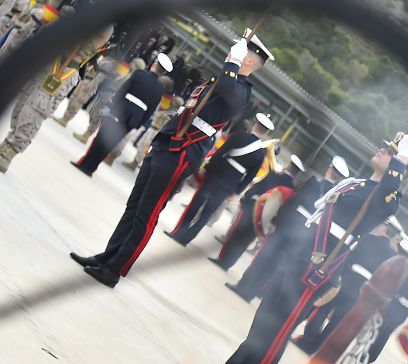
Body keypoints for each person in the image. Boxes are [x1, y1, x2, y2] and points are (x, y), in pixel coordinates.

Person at [181, 132, 408, 364]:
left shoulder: (385, 199)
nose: (381, 149)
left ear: (399, 169)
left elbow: (389, 190)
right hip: (299, 257)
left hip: (316, 268)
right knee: (262, 325)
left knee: (275, 333)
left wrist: (403, 159)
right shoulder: (359, 185)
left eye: (390, 152)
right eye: (386, 146)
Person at [69, 32, 271, 287]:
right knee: (135, 205)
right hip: (170, 142)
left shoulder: (241, 91)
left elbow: (228, 90)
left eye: (239, 53)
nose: (231, 54)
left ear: (249, 62)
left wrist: (233, 64)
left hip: (184, 152)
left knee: (147, 213)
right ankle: (107, 257)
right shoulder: (224, 80)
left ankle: (115, 269)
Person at [0, 8, 110, 173]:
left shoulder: (106, 22)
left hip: (64, 69)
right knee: (23, 103)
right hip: (50, 60)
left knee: (36, 109)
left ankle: (10, 150)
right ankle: (8, 142)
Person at [227, 156, 349, 301]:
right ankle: (252, 293)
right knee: (275, 264)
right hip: (305, 235)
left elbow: (294, 202)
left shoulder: (312, 182)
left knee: (263, 257)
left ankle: (243, 287)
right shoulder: (336, 197)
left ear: (329, 169)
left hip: (288, 225)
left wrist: (275, 220)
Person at [293, 221, 402, 354]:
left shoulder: (367, 238)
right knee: (337, 321)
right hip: (362, 290)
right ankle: (315, 347)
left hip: (346, 279)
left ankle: (307, 340)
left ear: (385, 228)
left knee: (323, 309)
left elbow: (349, 256)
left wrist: (339, 273)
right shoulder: (391, 257)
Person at [165, 113, 274, 245]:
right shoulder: (261, 153)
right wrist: (236, 191)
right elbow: (250, 176)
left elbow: (220, 153)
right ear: (265, 132)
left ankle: (179, 233)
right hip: (230, 185)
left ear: (255, 124)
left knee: (195, 205)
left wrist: (207, 169)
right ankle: (186, 239)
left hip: (216, 175)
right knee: (207, 213)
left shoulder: (239, 135)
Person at [71, 53, 172, 176]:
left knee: (100, 139)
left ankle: (85, 164)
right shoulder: (159, 89)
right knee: (110, 144)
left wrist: (111, 107)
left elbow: (123, 91)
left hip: (120, 111)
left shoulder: (139, 74)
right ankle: (91, 168)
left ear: (155, 64)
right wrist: (137, 124)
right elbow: (150, 111)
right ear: (163, 73)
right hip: (132, 120)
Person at [210, 154, 302, 270]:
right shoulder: (292, 188)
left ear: (288, 166)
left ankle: (222, 259)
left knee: (234, 234)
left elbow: (257, 187)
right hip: (265, 218)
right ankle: (228, 264)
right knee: (245, 241)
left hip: (251, 208)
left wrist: (245, 199)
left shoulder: (274, 174)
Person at [365, 257, 408, 364]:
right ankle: (371, 357)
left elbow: (396, 289)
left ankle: (366, 353)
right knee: (386, 334)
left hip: (392, 308)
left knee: (378, 330)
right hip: (402, 314)